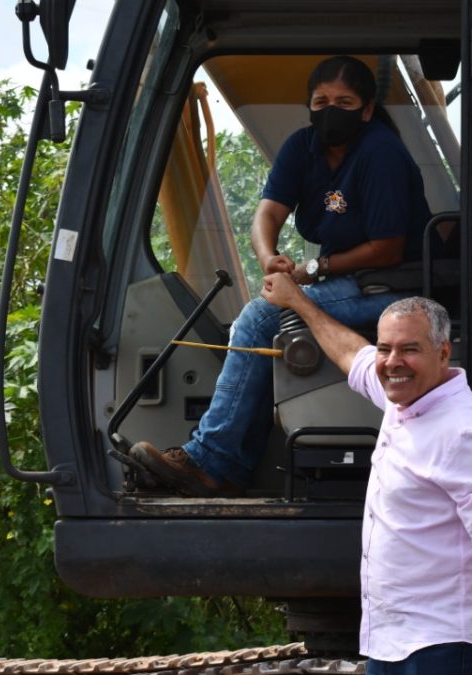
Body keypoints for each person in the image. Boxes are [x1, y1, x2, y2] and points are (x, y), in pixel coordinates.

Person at [131, 55, 431, 496]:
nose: (331, 110)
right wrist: (269, 257)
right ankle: (233, 461)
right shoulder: (302, 147)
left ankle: (212, 462)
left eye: (345, 102)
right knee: (262, 318)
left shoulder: (380, 152)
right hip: (354, 281)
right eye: (321, 100)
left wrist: (313, 270)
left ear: (367, 110)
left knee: (259, 318)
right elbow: (267, 213)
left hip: (394, 284)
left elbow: (388, 249)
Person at [261, 272, 472, 675]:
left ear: (442, 353)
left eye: (409, 349)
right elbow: (352, 353)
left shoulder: (463, 432)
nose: (392, 362)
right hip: (390, 643)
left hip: (441, 648)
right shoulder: (403, 400)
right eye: (386, 348)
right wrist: (298, 302)